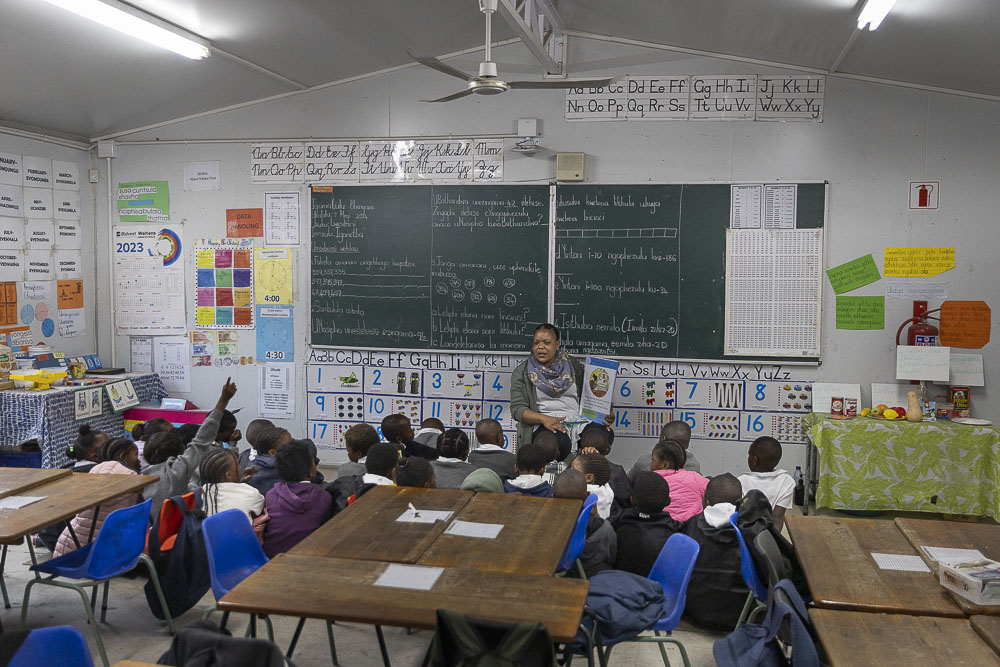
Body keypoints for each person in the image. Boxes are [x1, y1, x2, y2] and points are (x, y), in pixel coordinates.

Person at [510, 323, 613, 460]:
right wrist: (544, 419)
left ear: (557, 344)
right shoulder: (523, 372)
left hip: (578, 421)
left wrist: (603, 414)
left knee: (603, 436)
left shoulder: (572, 365)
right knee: (560, 443)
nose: (540, 347)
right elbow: (517, 409)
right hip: (544, 424)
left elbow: (587, 398)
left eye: (546, 343)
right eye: (536, 343)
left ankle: (587, 468)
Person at [141, 379, 239, 517]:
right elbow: (202, 438)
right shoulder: (177, 472)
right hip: (176, 531)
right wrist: (224, 399)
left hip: (148, 534)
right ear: (181, 450)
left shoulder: (139, 479)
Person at [52, 438, 142, 557]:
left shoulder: (93, 471)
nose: (139, 460)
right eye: (136, 455)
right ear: (123, 457)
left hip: (69, 550)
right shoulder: (132, 479)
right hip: (104, 555)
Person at [682, 473, 749, 629]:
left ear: (706, 502)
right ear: (740, 503)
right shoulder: (751, 529)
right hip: (740, 614)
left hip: (696, 612)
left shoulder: (690, 525)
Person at [35, 425, 107, 550]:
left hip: (52, 539)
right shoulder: (98, 477)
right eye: (108, 445)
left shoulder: (66, 471)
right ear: (95, 456)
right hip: (73, 545)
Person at [262, 441, 333, 557]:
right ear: (311, 470)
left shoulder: (271, 495)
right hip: (310, 557)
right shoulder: (324, 497)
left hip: (274, 557)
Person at [612, 471, 683, 576]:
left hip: (619, 586)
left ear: (632, 500)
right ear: (668, 501)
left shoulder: (617, 523)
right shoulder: (678, 532)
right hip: (658, 590)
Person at [552, 468, 616, 577]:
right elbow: (613, 557)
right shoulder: (604, 529)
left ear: (552, 497)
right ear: (587, 495)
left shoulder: (547, 527)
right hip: (593, 581)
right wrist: (596, 516)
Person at [738, 436, 796, 532]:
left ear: (754, 460)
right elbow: (778, 517)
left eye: (749, 455)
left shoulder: (740, 481)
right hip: (769, 539)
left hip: (744, 535)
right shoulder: (787, 482)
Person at [573, 424, 632, 514]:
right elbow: (626, 503)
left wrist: (582, 457)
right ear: (608, 449)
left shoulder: (573, 467)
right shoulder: (617, 471)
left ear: (581, 449)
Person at [199, 448, 265, 520]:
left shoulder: (200, 494)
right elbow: (259, 508)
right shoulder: (250, 493)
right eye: (237, 465)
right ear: (228, 475)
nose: (240, 467)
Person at [651, 439, 709, 522]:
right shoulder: (694, 477)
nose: (651, 464)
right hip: (692, 528)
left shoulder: (651, 481)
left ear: (664, 465)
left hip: (663, 527)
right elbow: (713, 491)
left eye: (653, 460)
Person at [629, 420, 701, 481]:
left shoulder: (645, 462)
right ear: (687, 445)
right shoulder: (694, 466)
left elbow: (626, 485)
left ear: (663, 439)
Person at [245, 426, 293, 495]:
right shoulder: (283, 469)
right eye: (289, 445)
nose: (294, 446)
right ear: (273, 453)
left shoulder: (251, 464)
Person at [570, 453, 616, 520]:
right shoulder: (606, 490)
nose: (568, 473)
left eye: (573, 470)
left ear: (589, 478)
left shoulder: (579, 493)